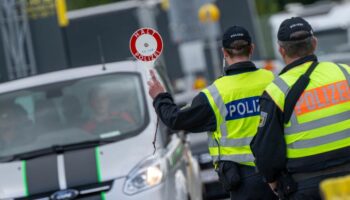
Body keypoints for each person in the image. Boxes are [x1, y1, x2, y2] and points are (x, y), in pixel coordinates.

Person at [148, 26, 276, 200]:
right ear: (251, 48)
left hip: (243, 182)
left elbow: (175, 119)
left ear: (224, 52)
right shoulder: (273, 81)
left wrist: (159, 96)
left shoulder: (215, 95)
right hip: (279, 173)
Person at [250, 17, 350, 200]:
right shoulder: (345, 73)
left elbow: (266, 148)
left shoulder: (276, 91)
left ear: (281, 50)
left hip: (307, 185)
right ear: (314, 43)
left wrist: (272, 180)